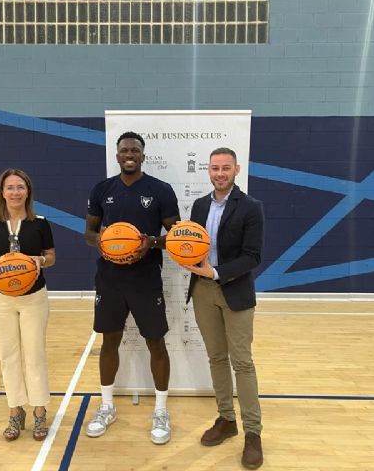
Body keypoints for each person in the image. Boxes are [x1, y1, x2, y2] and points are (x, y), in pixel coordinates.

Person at [84, 131, 180, 445]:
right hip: (109, 279)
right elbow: (89, 231)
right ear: (117, 155)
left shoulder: (160, 190)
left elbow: (176, 237)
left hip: (145, 278)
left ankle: (161, 411)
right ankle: (107, 406)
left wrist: (150, 243)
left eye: (135, 150)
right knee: (109, 342)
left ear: (142, 155)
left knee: (156, 342)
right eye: (124, 150)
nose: (129, 154)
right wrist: (100, 242)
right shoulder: (102, 189)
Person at [181, 148, 265, 469]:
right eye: (215, 168)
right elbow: (188, 244)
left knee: (242, 363)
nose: (219, 173)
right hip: (202, 291)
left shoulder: (251, 207)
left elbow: (252, 257)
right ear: (209, 171)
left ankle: (253, 434)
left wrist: (215, 272)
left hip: (234, 291)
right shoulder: (200, 205)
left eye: (225, 168)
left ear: (236, 169)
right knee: (216, 357)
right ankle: (226, 420)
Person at [0, 168, 56, 442]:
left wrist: (39, 261)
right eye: (10, 187)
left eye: (20, 187)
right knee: (8, 354)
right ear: (2, 192)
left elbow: (51, 257)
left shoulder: (40, 223)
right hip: (1, 298)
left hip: (34, 295)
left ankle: (39, 411)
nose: (15, 192)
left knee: (34, 354)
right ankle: (15, 411)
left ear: (28, 191)